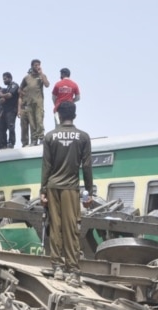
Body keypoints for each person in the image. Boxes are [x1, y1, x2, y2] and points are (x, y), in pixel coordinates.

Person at [40, 102, 92, 285]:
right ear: (74, 115)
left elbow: (46, 165)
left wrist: (42, 190)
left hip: (52, 186)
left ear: (59, 116)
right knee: (71, 228)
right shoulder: (83, 137)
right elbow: (86, 166)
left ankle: (57, 268)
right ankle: (73, 270)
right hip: (71, 187)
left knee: (56, 227)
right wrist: (89, 193)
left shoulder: (50, 137)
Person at [20, 59, 50, 147]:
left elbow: (47, 85)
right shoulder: (26, 78)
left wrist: (41, 74)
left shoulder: (42, 76)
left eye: (38, 65)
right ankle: (34, 140)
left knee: (39, 120)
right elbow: (20, 88)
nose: (37, 66)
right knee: (32, 123)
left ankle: (41, 138)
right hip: (29, 103)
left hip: (38, 102)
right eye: (35, 65)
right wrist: (24, 94)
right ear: (32, 66)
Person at [0, 72, 20, 149]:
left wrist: (2, 95)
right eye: (3, 79)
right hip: (4, 111)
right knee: (1, 128)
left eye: (5, 79)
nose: (4, 81)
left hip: (11, 110)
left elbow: (9, 95)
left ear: (10, 78)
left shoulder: (14, 85)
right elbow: (0, 100)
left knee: (11, 127)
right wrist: (2, 97)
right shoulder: (6, 89)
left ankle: (11, 143)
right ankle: (3, 144)